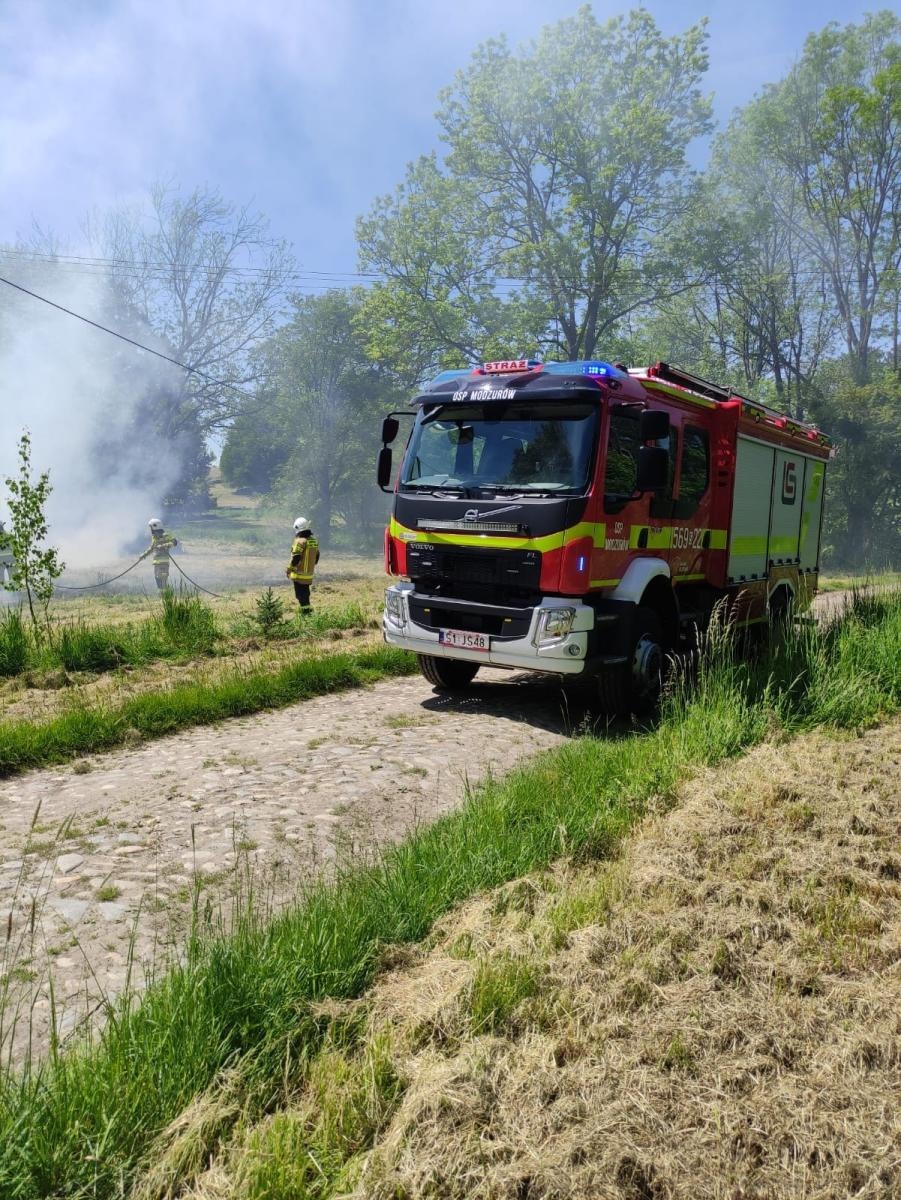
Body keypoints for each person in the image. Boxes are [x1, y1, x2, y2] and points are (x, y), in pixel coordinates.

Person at [286, 516, 319, 610]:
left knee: (301, 596)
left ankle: (306, 614)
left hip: (299, 575)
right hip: (308, 575)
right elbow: (316, 558)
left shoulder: (300, 541)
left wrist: (289, 569)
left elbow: (296, 558)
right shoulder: (313, 541)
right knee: (305, 595)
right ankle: (307, 613)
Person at [141, 517, 178, 591]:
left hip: (164, 562)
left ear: (155, 527)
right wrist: (144, 555)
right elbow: (152, 548)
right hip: (156, 563)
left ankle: (166, 597)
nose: (150, 529)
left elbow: (175, 542)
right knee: (157, 579)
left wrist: (163, 546)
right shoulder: (154, 537)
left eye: (151, 527)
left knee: (163, 581)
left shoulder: (165, 535)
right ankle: (162, 595)